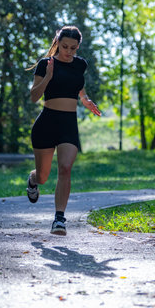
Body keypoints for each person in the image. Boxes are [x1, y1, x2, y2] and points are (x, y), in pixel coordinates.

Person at [27, 25, 101, 236]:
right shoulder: (45, 64)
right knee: (43, 176)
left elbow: (78, 86)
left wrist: (85, 99)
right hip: (47, 123)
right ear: (57, 42)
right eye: (65, 46)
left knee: (65, 168)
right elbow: (34, 96)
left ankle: (59, 219)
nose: (69, 51)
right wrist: (48, 77)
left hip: (69, 123)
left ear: (78, 46)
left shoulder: (80, 64)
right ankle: (32, 180)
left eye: (73, 48)